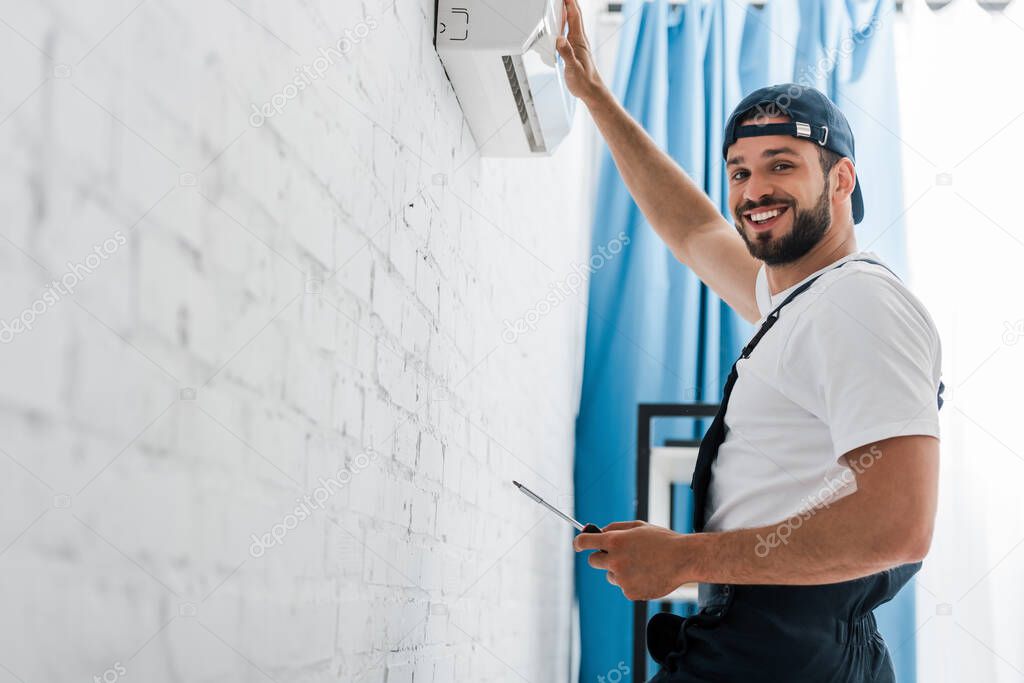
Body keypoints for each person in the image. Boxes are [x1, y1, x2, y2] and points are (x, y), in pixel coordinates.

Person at [558, 1, 945, 681]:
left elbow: (901, 524)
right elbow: (694, 231)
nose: (754, 190)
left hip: (791, 653)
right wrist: (596, 98)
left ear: (841, 179)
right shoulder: (800, 300)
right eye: (739, 171)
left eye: (781, 165)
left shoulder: (860, 303)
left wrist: (685, 557)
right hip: (757, 643)